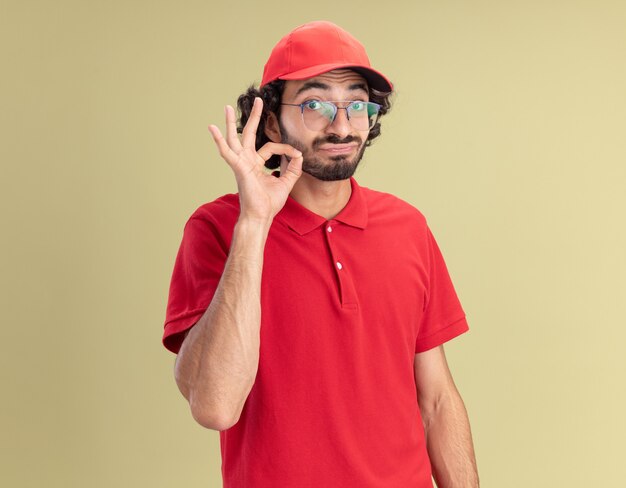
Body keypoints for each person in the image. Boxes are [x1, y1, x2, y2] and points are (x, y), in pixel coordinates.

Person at [162, 20, 479, 488]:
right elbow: (215, 406)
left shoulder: (408, 227)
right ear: (271, 119)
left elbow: (436, 400)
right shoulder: (217, 228)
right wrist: (254, 223)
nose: (341, 125)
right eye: (315, 104)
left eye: (356, 104)